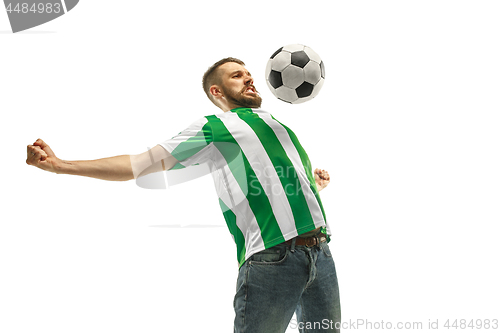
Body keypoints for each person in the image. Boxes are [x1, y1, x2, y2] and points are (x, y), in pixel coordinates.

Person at [26, 57, 341, 332]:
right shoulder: (215, 127)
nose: (249, 78)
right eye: (236, 75)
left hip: (321, 253)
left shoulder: (276, 124)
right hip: (274, 259)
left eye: (248, 74)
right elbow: (138, 164)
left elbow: (273, 181)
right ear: (216, 92)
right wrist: (61, 165)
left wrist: (311, 186)